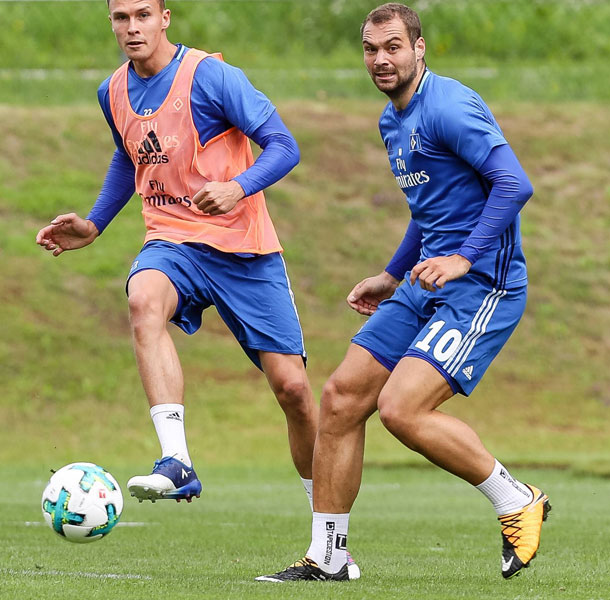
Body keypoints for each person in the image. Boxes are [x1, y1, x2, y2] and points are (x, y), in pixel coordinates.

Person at [258, 2, 548, 583]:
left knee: (400, 408)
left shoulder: (448, 105)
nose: (381, 59)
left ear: (420, 49)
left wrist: (464, 258)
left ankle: (516, 499)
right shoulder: (393, 120)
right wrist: (393, 273)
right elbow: (429, 209)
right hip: (422, 284)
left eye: (393, 46)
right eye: (371, 49)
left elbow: (515, 183)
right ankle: (330, 557)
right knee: (340, 399)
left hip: (481, 285)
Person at [35, 0, 319, 510]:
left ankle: (329, 529)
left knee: (294, 391)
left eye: (143, 14)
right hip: (172, 240)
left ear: (165, 17)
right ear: (111, 23)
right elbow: (129, 154)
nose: (132, 27)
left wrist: (238, 186)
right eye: (121, 18)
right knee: (143, 298)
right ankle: (177, 461)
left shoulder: (211, 76)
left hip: (243, 248)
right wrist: (95, 223)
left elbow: (283, 145)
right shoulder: (113, 91)